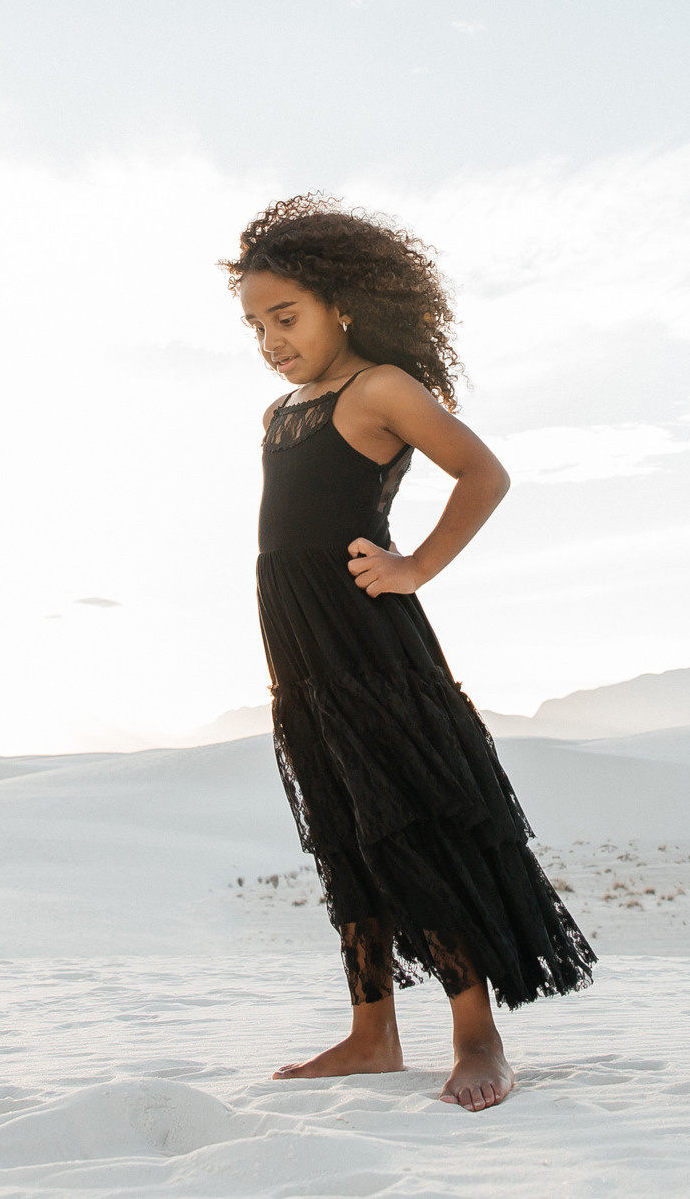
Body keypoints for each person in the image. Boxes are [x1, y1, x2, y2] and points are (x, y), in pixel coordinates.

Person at [227, 194, 594, 1111]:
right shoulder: (281, 414)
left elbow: (483, 473)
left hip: (369, 645)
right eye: (255, 325)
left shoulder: (378, 388)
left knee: (415, 818)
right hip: (300, 648)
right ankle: (372, 1032)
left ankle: (476, 1035)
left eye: (286, 316)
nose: (271, 339)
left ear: (338, 303)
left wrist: (416, 565)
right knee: (345, 829)